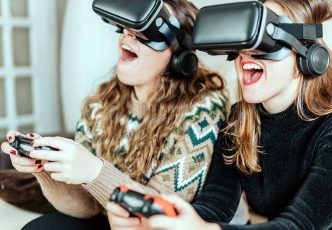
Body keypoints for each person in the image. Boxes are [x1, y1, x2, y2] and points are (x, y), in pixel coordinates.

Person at [109, 0, 332, 229]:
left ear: (308, 57)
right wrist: (165, 219)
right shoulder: (241, 121)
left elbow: (299, 225)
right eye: (244, 42)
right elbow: (216, 206)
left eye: (265, 43)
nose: (246, 55)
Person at [1, 0, 249, 229]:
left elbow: (159, 215)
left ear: (179, 56)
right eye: (128, 27)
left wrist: (95, 171)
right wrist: (45, 170)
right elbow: (87, 208)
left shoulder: (203, 109)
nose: (128, 36)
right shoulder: (100, 102)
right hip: (115, 216)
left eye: (147, 33)